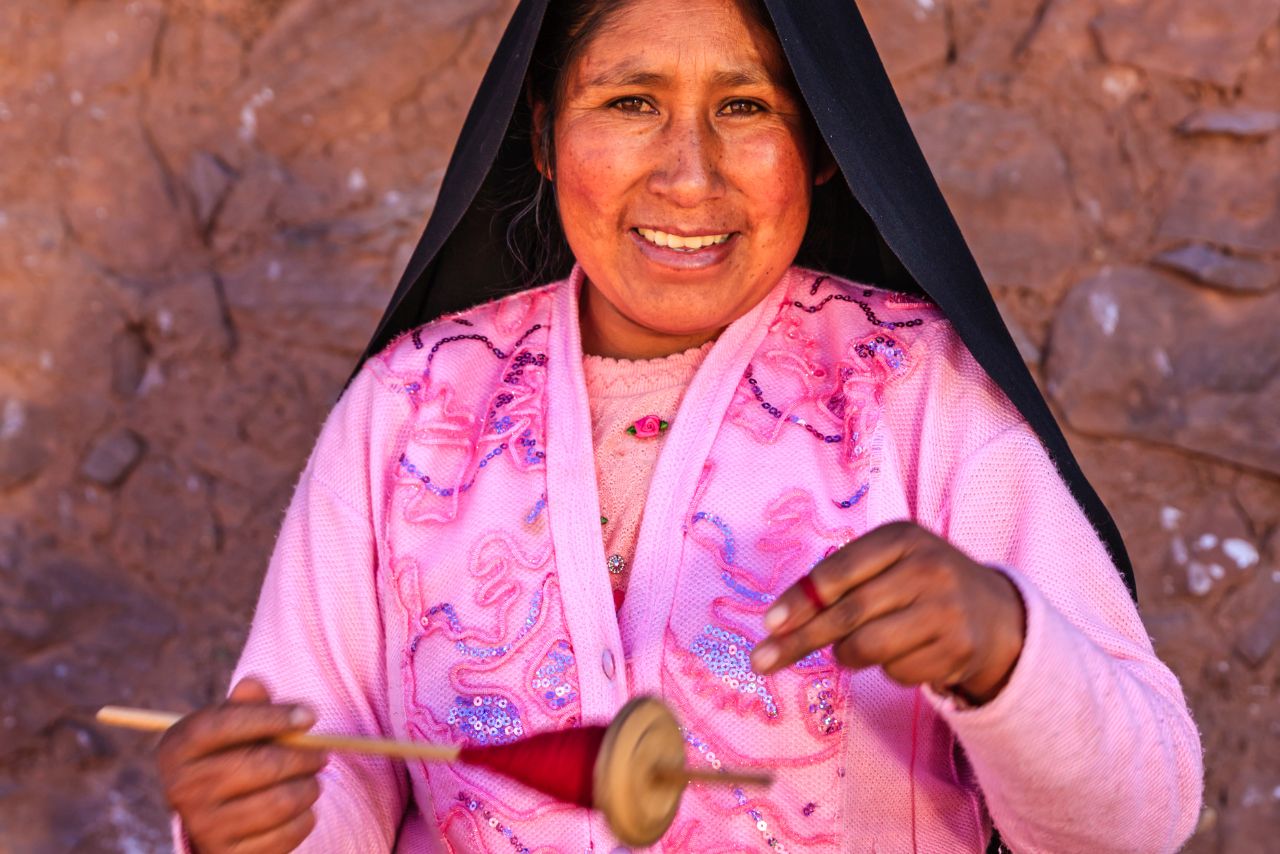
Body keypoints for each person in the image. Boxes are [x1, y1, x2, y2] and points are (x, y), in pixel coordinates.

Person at [154, 1, 1203, 851]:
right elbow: (325, 765)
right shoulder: (407, 409)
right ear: (542, 133)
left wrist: (1002, 647)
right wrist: (252, 824)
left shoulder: (918, 396)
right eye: (629, 101)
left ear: (822, 141)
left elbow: (1136, 821)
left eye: (744, 106)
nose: (688, 173)